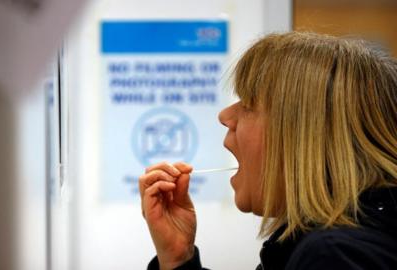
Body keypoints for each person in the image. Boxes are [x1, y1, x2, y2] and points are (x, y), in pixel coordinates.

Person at [138, 32, 397, 270]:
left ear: (303, 135)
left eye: (249, 104)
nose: (225, 116)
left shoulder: (334, 256)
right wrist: (177, 258)